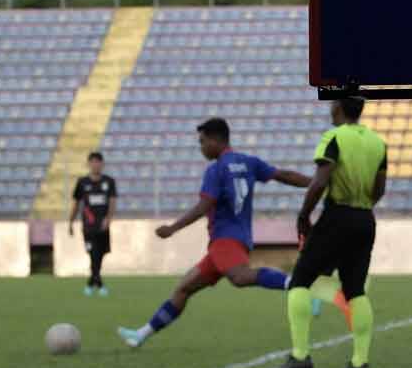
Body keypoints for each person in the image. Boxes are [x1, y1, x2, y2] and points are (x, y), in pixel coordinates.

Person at [117, 118, 311, 348]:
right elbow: (285, 176)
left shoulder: (216, 169)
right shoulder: (249, 162)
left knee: (239, 277)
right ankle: (141, 335)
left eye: (202, 142)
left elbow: (204, 206)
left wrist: (172, 228)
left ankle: (298, 283)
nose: (201, 148)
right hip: (237, 240)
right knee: (184, 288)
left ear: (215, 140)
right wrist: (317, 182)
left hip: (224, 240)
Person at [269, 97, 387, 368]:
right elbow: (380, 188)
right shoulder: (377, 142)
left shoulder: (333, 137)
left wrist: (303, 214)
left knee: (299, 281)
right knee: (355, 289)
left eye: (332, 105)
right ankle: (360, 362)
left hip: (337, 217)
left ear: (339, 108)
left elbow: (320, 181)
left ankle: (300, 355)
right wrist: (362, 204)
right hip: (365, 219)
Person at [68, 152, 117, 296]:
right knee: (93, 254)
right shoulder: (82, 182)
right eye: (93, 162)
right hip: (88, 226)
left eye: (98, 162)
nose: (95, 164)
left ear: (102, 164)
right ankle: (99, 285)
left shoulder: (109, 181)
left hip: (103, 225)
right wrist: (70, 222)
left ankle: (91, 282)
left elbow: (112, 202)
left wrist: (108, 219)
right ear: (89, 164)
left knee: (100, 254)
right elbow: (76, 203)